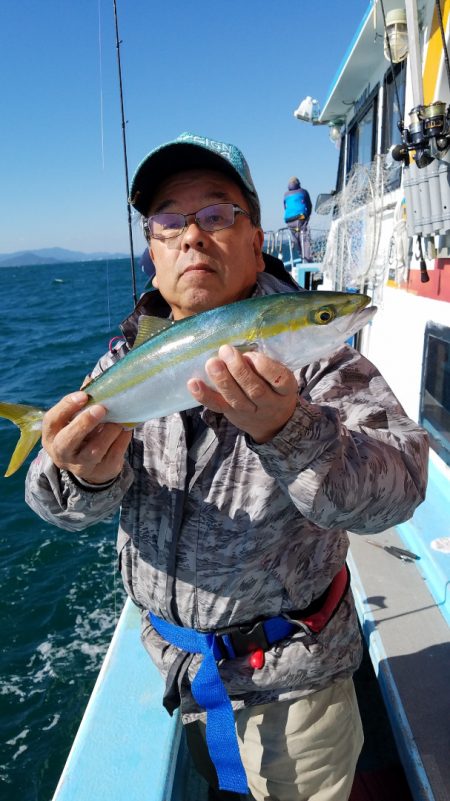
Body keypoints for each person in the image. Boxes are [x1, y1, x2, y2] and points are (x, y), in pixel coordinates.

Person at [25, 132, 428, 801]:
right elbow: (56, 507)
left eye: (216, 215)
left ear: (255, 238)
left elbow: (401, 486)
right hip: (174, 678)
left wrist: (290, 430)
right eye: (169, 221)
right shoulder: (121, 367)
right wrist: (78, 475)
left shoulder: (323, 360)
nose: (192, 236)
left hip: (294, 690)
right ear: (152, 251)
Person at [283, 176, 313, 261]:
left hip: (289, 220)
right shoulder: (303, 191)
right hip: (301, 217)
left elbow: (285, 207)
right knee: (304, 237)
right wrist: (307, 216)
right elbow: (309, 205)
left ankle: (301, 255)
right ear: (298, 183)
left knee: (296, 236)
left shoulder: (286, 194)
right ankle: (307, 260)